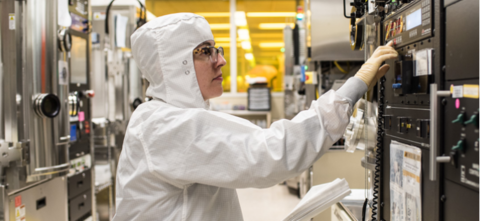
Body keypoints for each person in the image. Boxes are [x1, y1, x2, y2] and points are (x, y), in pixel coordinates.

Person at [113, 13, 397, 221]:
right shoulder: (164, 125)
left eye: (218, 49)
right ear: (176, 65)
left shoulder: (176, 116)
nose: (221, 60)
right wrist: (352, 87)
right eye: (205, 52)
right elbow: (267, 153)